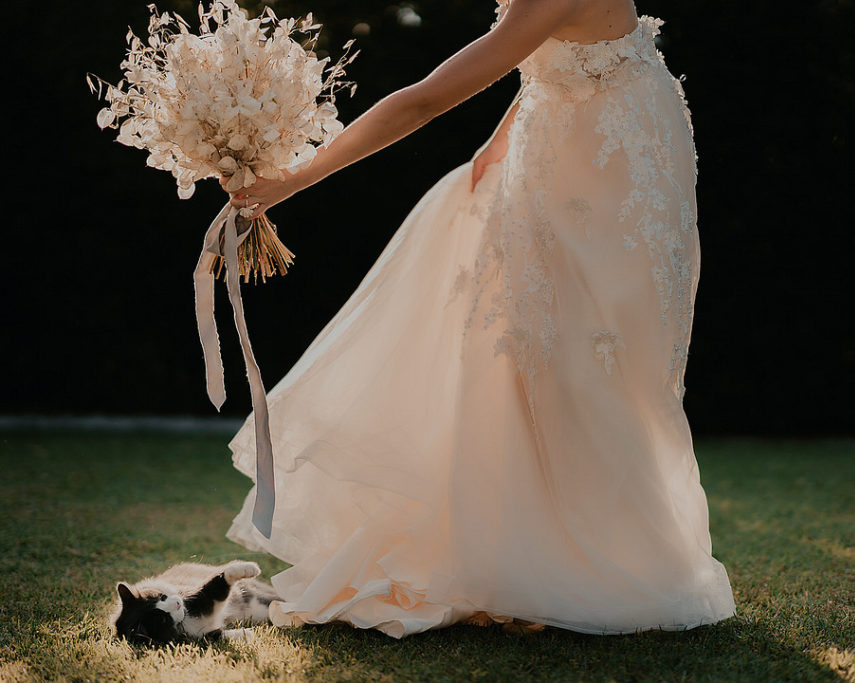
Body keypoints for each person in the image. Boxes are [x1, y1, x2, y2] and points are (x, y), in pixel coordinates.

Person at [221, 0, 737, 638]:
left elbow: (426, 99)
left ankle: (598, 562)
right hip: (588, 142)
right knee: (539, 354)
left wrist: (296, 178)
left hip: (608, 170)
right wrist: (495, 148)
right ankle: (531, 550)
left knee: (590, 361)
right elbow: (543, 59)